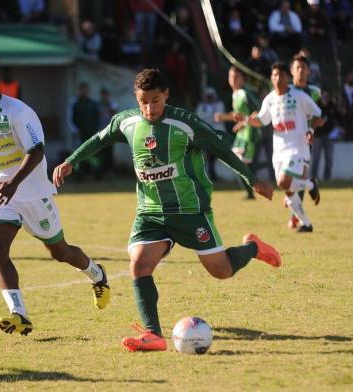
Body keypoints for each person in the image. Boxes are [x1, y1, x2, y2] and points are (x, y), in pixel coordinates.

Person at [53, 68, 281, 352]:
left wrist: (252, 178)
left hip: (189, 210)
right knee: (139, 264)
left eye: (156, 100)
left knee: (221, 271)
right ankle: (153, 334)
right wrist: (71, 161)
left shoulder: (185, 123)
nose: (149, 108)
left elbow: (221, 149)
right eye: (143, 101)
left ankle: (252, 248)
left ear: (167, 96)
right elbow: (100, 140)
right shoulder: (126, 122)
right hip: (150, 212)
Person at [0, 59, 110, 336]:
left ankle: (96, 274)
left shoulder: (19, 112)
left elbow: (37, 150)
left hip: (32, 192)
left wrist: (14, 184)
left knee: (60, 252)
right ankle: (19, 313)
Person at [235, 62, 322, 233]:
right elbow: (261, 120)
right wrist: (246, 119)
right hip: (279, 151)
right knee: (287, 189)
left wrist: (311, 129)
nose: (277, 79)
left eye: (281, 75)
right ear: (271, 78)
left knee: (284, 182)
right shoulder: (270, 99)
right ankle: (306, 222)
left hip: (298, 147)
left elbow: (318, 114)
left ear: (287, 78)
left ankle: (310, 187)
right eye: (274, 75)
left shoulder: (299, 96)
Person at [214, 66, 262, 199]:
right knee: (237, 163)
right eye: (231, 76)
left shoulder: (245, 92)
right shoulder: (235, 94)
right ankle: (251, 192)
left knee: (239, 164)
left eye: (236, 76)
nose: (233, 79)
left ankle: (253, 191)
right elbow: (237, 115)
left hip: (250, 134)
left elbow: (258, 110)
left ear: (242, 78)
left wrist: (243, 123)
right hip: (242, 135)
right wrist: (222, 117)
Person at [288, 54, 322, 229]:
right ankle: (295, 209)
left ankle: (296, 217)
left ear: (309, 71)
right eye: (297, 68)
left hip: (305, 141)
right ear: (292, 71)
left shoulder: (315, 92)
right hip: (286, 141)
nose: (300, 71)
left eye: (303, 68)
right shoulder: (286, 91)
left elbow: (319, 116)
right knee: (292, 179)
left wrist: (311, 130)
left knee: (299, 177)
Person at [66, 82, 100, 179]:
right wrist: (75, 131)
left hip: (92, 134)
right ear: (79, 90)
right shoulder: (75, 103)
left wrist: (97, 131)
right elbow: (69, 118)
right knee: (78, 154)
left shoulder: (93, 103)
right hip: (79, 134)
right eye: (82, 89)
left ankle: (96, 174)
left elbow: (97, 118)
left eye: (86, 89)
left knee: (94, 154)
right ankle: (79, 175)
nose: (84, 91)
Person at [195, 86, 227, 181]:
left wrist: (207, 118)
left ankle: (214, 176)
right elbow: (198, 118)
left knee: (217, 156)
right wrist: (210, 118)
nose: (209, 98)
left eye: (211, 96)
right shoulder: (201, 106)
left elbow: (216, 119)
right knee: (208, 157)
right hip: (206, 135)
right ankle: (211, 176)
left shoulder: (219, 104)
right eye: (207, 96)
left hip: (218, 135)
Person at [311, 89, 340, 180]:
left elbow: (337, 118)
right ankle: (313, 178)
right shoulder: (316, 105)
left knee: (329, 159)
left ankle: (327, 178)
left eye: (326, 96)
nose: (325, 97)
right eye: (323, 96)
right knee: (315, 158)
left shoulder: (332, 105)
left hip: (329, 136)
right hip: (318, 136)